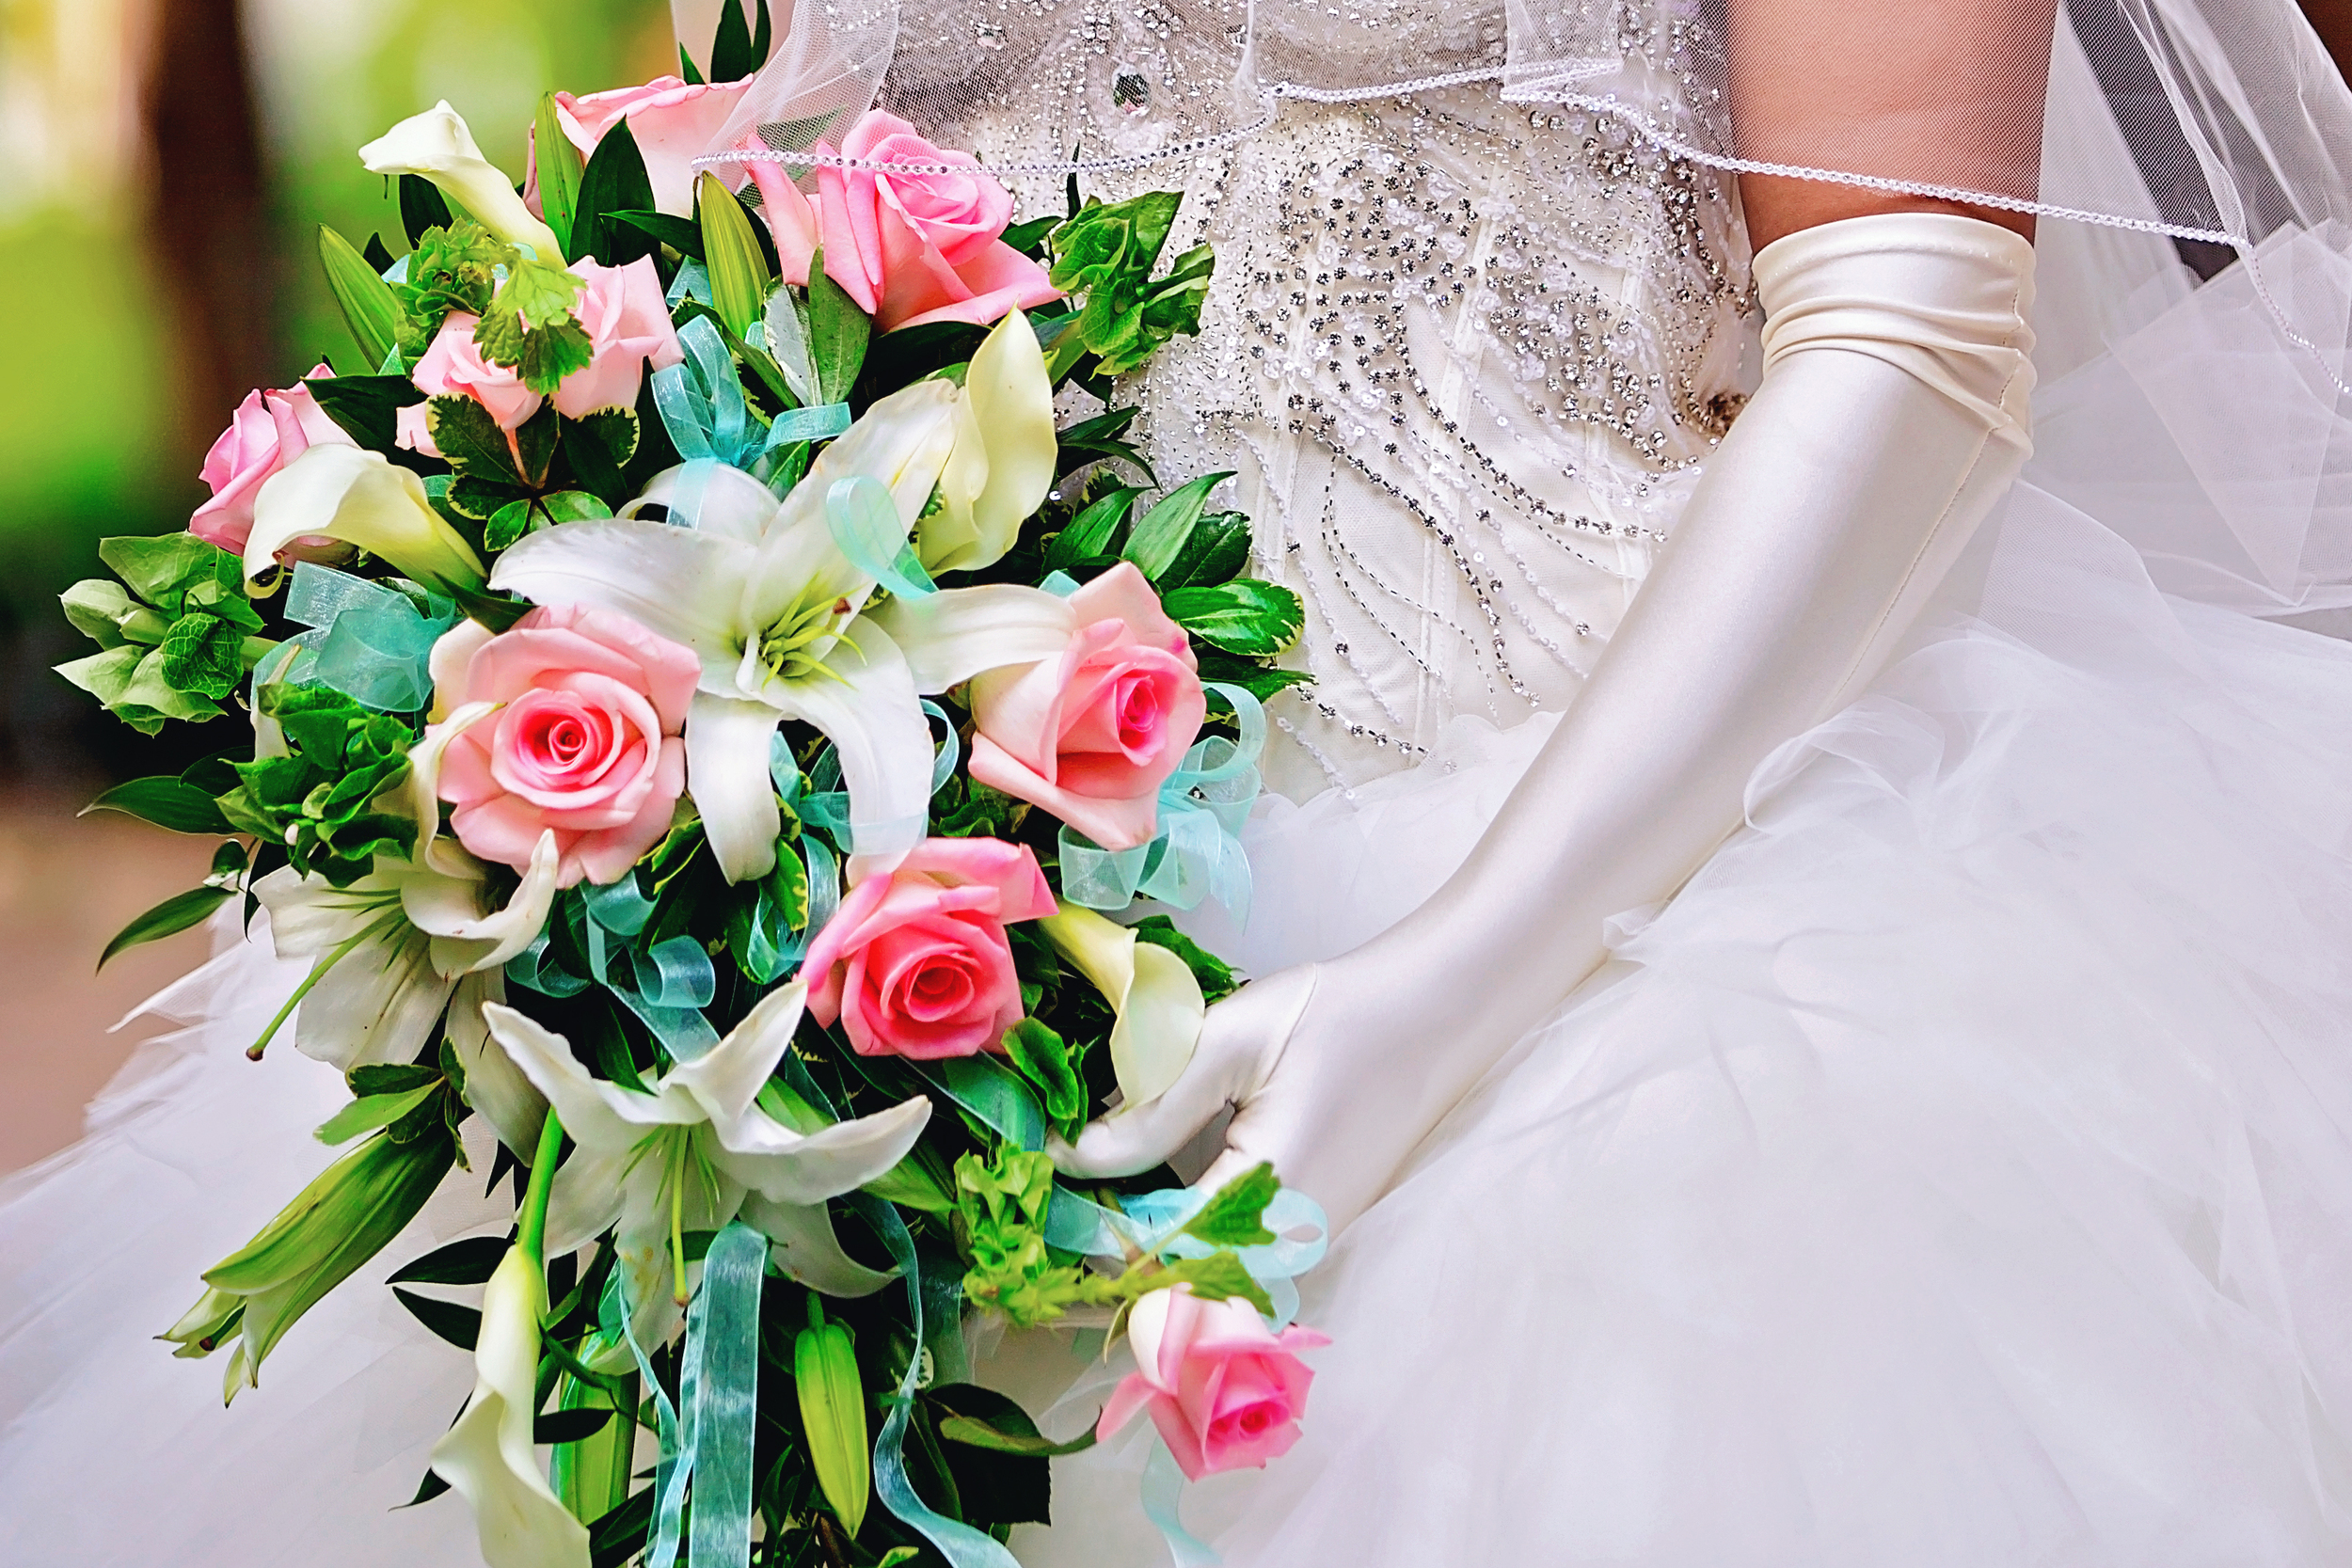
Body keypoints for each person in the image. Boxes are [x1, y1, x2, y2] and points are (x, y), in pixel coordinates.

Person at [9, 0, 2352, 1562]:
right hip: (921, 872)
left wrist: (1443, 988)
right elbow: (760, 167)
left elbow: (1919, 322)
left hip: (1630, 868)